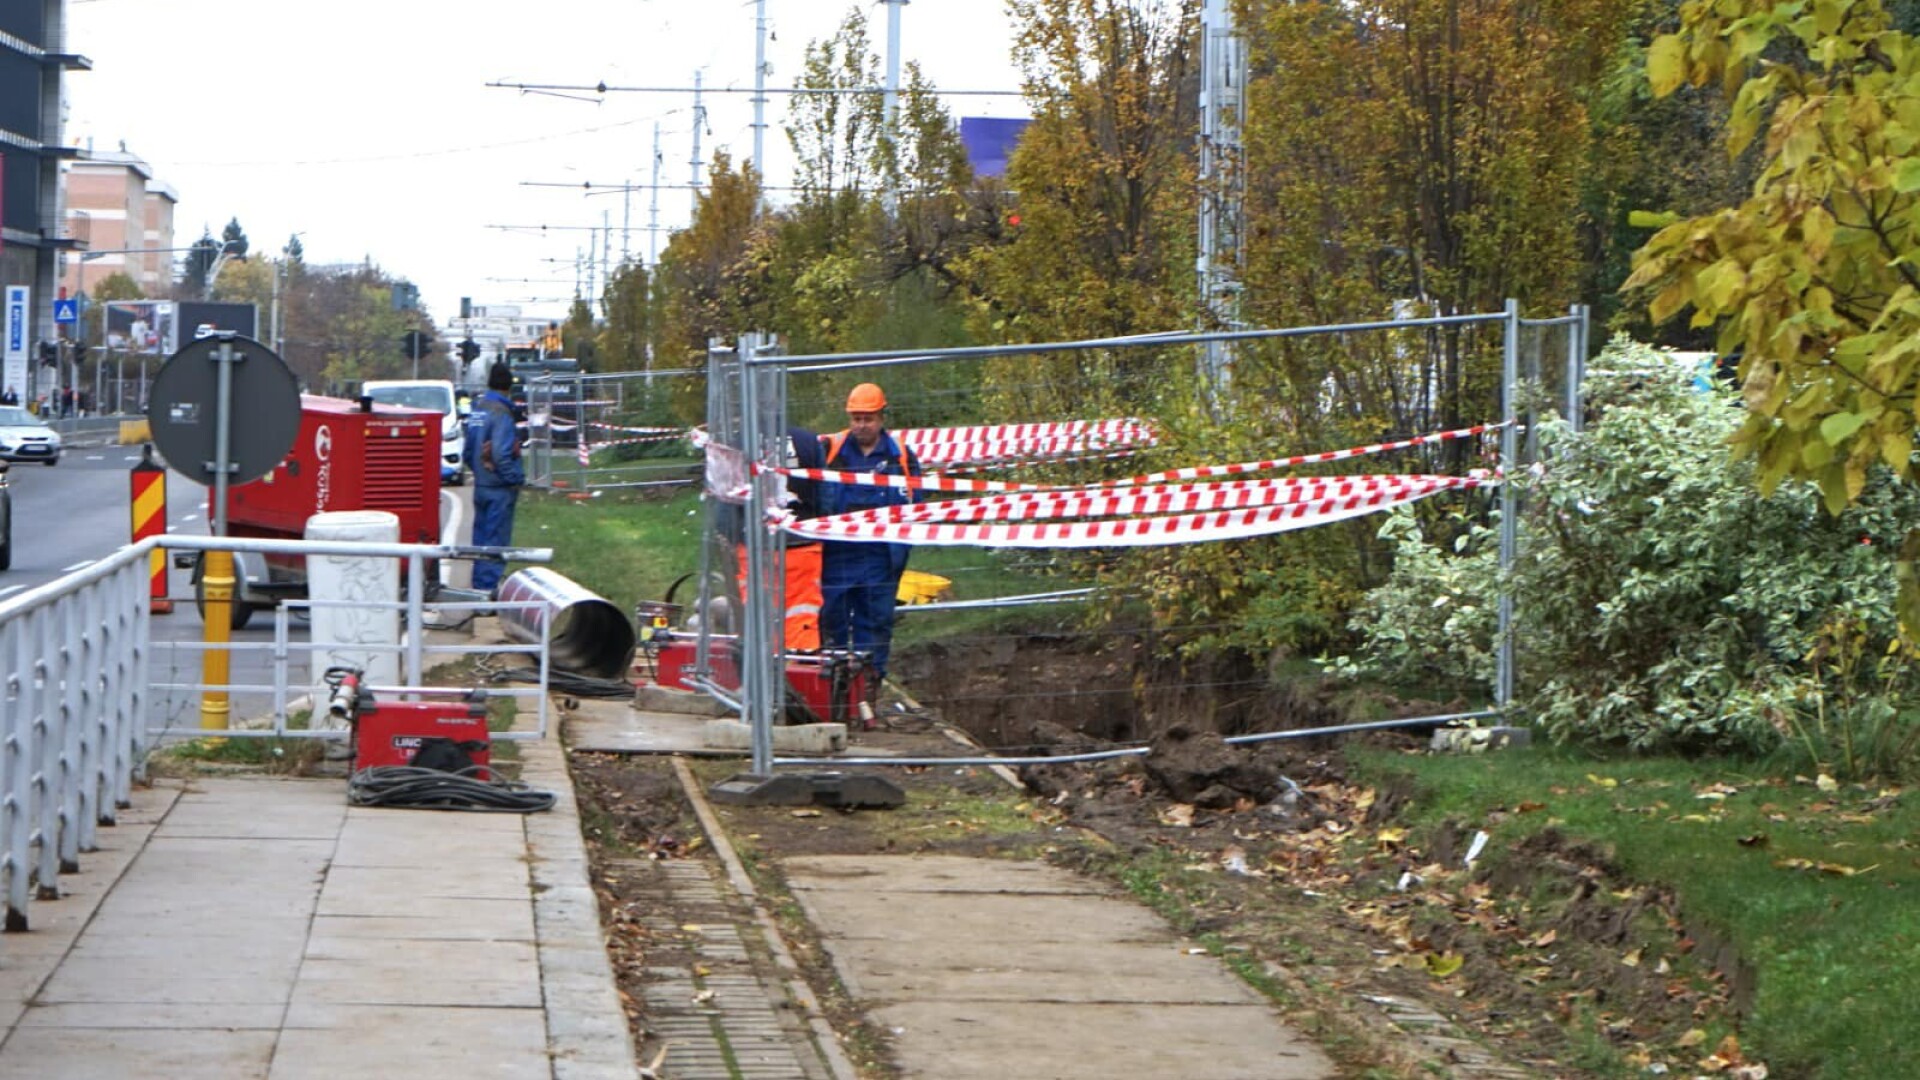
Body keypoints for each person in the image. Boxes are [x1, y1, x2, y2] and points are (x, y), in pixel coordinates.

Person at [816, 383, 920, 686]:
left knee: (875, 621)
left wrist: (902, 547)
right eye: (856, 418)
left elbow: (916, 505)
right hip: (837, 552)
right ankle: (831, 682)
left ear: (881, 417)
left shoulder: (899, 456)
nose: (862, 425)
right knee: (831, 617)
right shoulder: (830, 451)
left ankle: (869, 685)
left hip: (879, 554)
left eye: (868, 418)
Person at [464, 362, 525, 594]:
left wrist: (480, 471)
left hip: (481, 486)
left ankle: (478, 587)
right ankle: (488, 592)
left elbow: (469, 452)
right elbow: (501, 452)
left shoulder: (479, 409)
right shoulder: (502, 412)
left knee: (480, 539)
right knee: (496, 540)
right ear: (509, 387)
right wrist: (513, 478)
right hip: (500, 487)